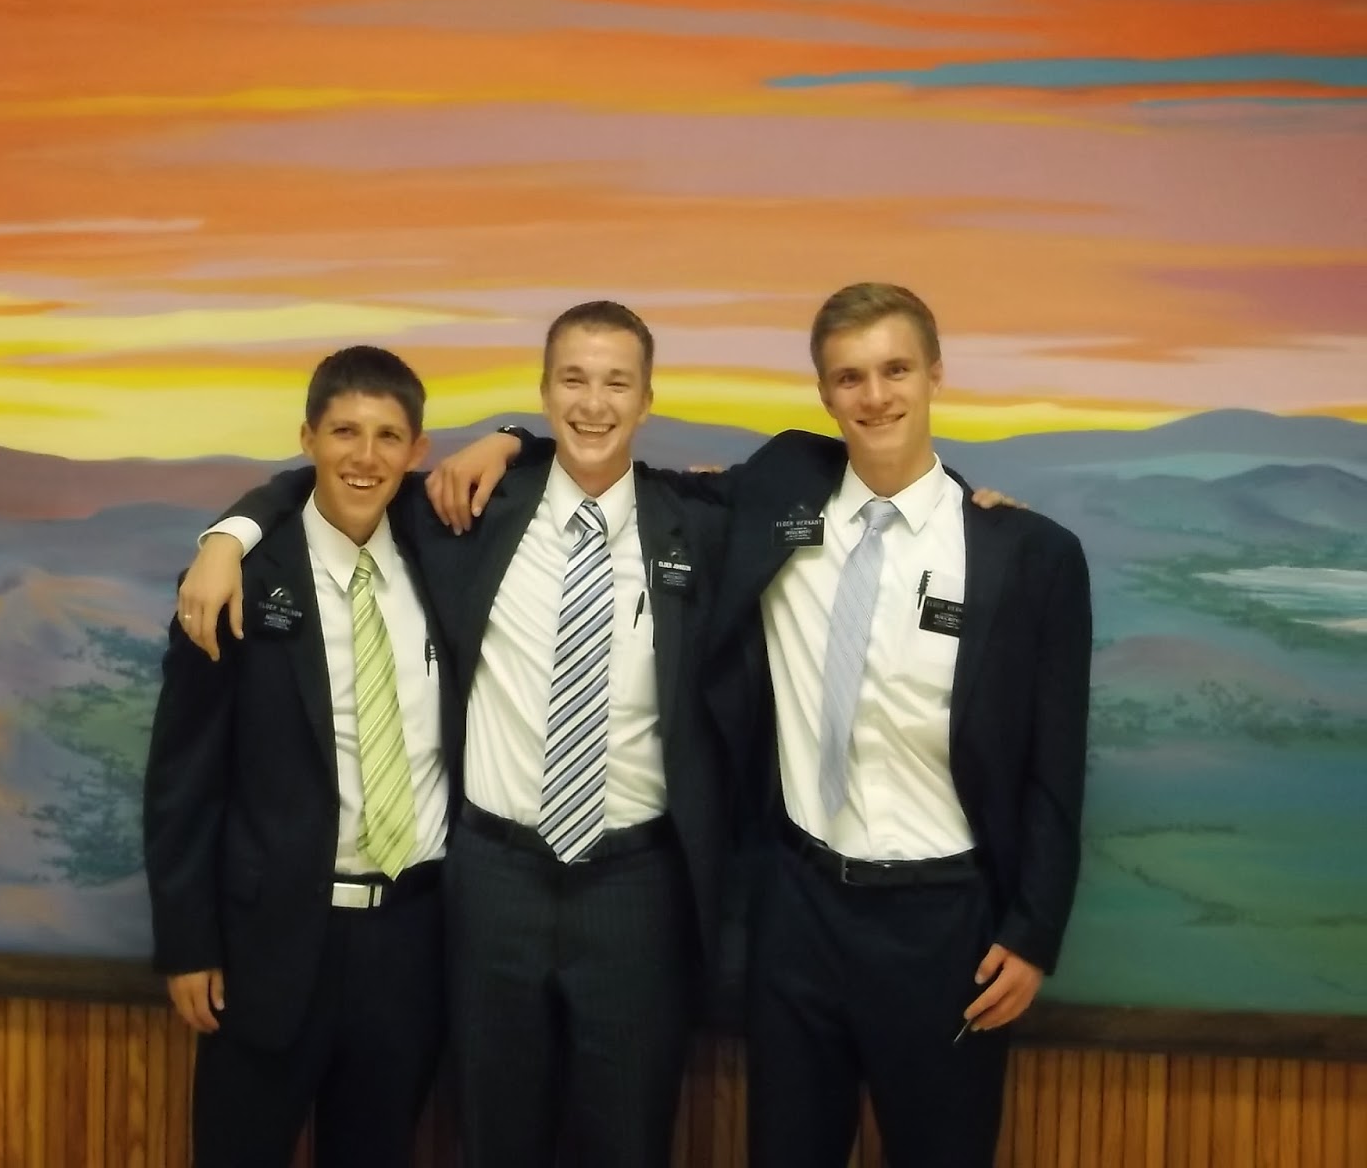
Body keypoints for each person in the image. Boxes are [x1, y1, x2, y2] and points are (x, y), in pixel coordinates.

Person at [425, 282, 1091, 1167]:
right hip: (796, 911)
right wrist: (512, 436)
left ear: (935, 374)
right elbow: (602, 460)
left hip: (943, 923)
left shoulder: (1022, 554)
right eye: (849, 377)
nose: (875, 395)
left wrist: (1033, 930)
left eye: (895, 370)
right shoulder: (781, 491)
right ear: (824, 393)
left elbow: (1055, 765)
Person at [175, 302, 732, 1168]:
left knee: (629, 1139)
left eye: (616, 383)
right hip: (491, 882)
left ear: (647, 399)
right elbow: (336, 483)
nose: (593, 402)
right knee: (492, 1137)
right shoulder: (471, 516)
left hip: (635, 885)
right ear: (543, 392)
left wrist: (506, 439)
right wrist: (228, 533)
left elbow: (803, 478)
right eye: (573, 380)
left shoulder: (695, 522)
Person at [142, 346, 458, 1168]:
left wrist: (506, 437)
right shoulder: (237, 581)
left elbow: (549, 469)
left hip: (411, 941)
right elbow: (182, 777)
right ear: (308, 437)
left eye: (388, 436)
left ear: (417, 452)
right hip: (270, 945)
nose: (365, 456)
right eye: (344, 431)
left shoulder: (446, 559)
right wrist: (188, 944)